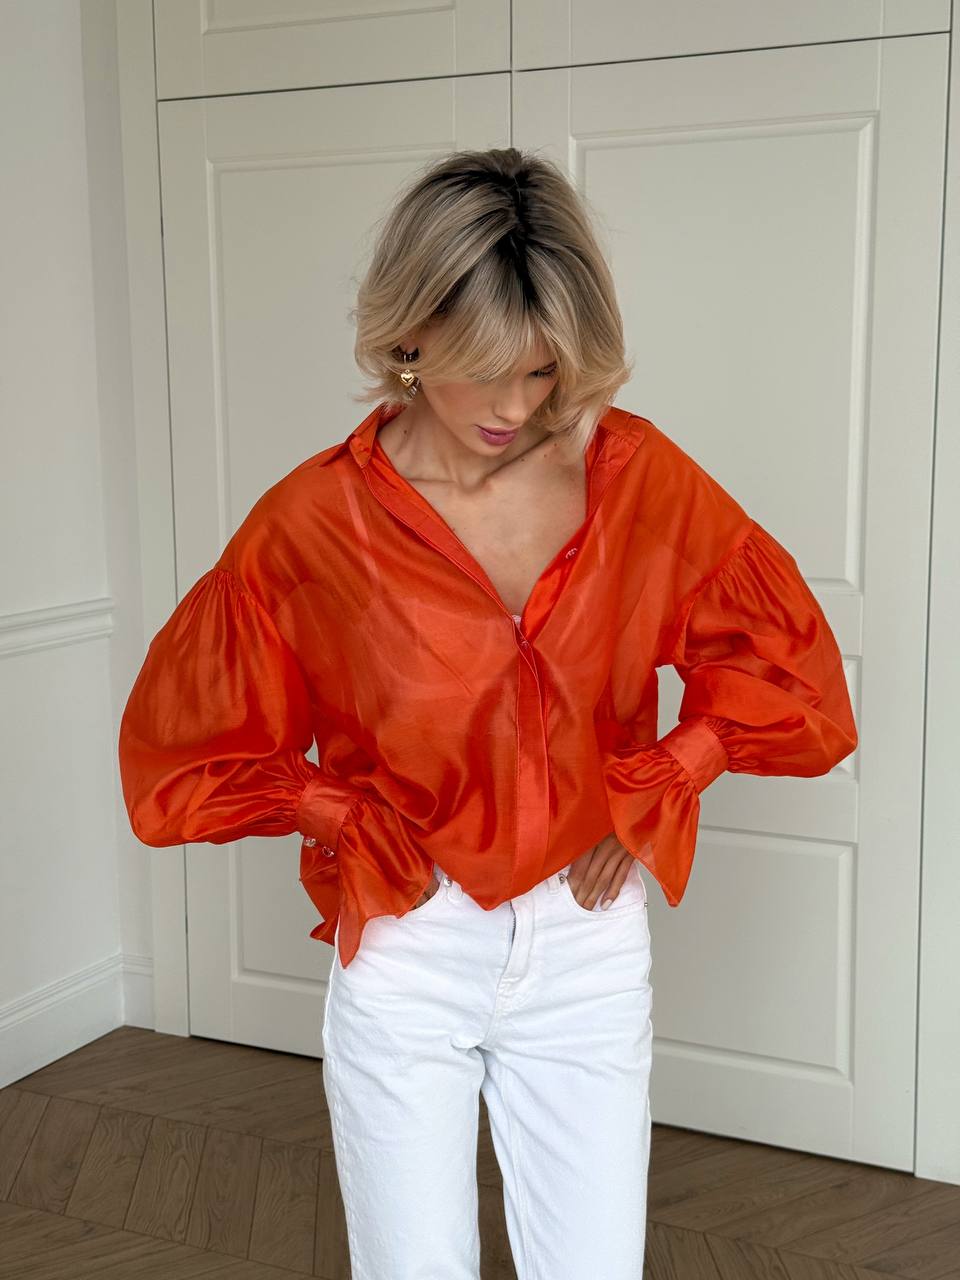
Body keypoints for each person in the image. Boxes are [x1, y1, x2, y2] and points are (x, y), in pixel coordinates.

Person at [118, 146, 858, 1279]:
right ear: (408, 337)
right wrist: (333, 808)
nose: (512, 409)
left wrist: (668, 770)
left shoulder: (637, 477)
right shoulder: (315, 522)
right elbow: (186, 750)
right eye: (479, 371)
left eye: (539, 372)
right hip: (409, 943)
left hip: (583, 938)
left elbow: (789, 666)